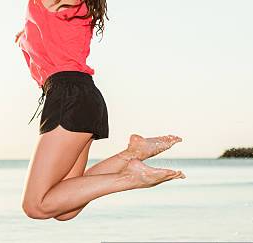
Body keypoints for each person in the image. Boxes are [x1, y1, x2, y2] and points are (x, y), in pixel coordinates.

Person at [16, 0, 185, 221]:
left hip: (68, 97)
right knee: (66, 210)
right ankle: (131, 155)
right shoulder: (74, 8)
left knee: (35, 206)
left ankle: (131, 177)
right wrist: (26, 37)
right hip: (81, 96)